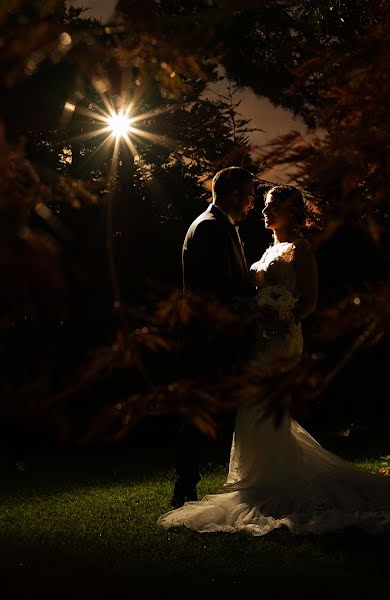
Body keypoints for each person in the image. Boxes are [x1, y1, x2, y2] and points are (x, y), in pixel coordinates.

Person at [159, 185, 390, 535]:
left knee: (263, 408)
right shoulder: (270, 247)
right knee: (253, 411)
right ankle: (260, 480)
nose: (265, 211)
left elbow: (308, 303)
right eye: (264, 205)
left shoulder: (301, 250)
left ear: (292, 213)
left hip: (281, 339)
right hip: (260, 340)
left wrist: (279, 314)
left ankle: (270, 484)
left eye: (273, 206)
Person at [171, 167, 256, 509]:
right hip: (208, 339)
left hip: (220, 336)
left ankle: (196, 484)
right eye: (249, 195)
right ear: (235, 194)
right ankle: (184, 488)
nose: (252, 203)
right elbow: (214, 290)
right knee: (198, 414)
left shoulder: (224, 227)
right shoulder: (208, 228)